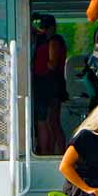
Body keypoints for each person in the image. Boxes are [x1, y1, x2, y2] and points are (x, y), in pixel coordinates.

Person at [31, 13, 67, 155]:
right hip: (48, 85)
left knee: (52, 121)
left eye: (47, 27)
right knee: (50, 121)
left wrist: (38, 66)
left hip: (51, 85)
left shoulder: (54, 40)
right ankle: (52, 152)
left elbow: (52, 64)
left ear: (53, 27)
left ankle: (59, 153)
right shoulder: (44, 39)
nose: (45, 30)